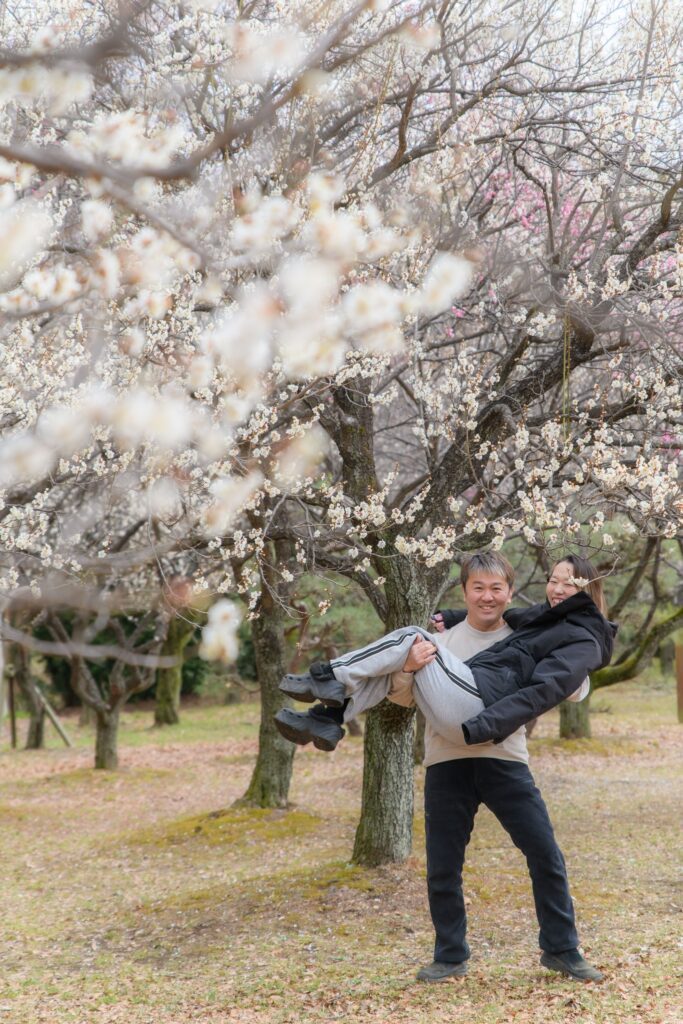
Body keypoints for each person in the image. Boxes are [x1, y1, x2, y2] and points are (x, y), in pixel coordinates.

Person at [275, 552, 612, 983]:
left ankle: (562, 949)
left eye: (497, 589)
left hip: (503, 756)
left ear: (510, 594)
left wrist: (578, 671)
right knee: (442, 866)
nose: (487, 597)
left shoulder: (525, 629)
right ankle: (450, 955)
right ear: (465, 590)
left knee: (545, 854)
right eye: (478, 588)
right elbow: (402, 698)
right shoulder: (444, 637)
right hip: (446, 759)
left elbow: (571, 685)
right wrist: (409, 670)